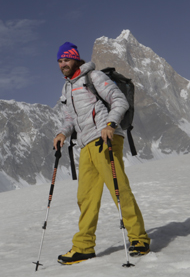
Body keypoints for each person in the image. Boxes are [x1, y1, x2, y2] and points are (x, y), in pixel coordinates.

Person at [53, 42, 150, 265]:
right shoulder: (67, 88)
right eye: (59, 61)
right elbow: (71, 118)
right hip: (86, 144)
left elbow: (119, 100)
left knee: (119, 189)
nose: (63, 64)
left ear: (76, 59)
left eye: (66, 59)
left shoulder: (94, 77)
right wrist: (62, 133)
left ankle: (139, 239)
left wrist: (109, 124)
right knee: (86, 197)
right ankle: (84, 247)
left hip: (106, 138)